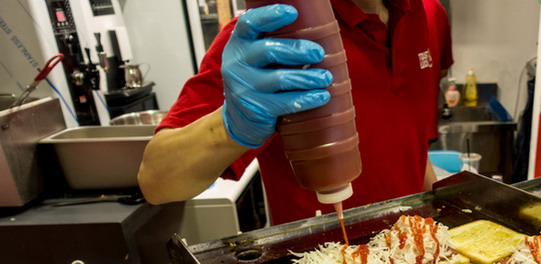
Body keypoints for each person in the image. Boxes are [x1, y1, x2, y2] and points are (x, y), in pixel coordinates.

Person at [137, 0, 453, 226]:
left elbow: (414, 147)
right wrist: (229, 125)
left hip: (413, 254)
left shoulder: (429, 15)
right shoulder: (271, 34)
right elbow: (157, 182)